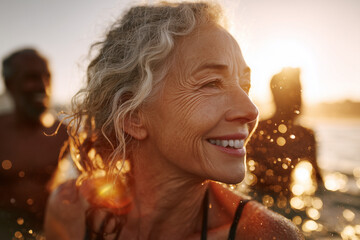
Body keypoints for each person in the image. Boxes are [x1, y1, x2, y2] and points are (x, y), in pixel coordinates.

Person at [45, 2, 304, 239]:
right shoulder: (73, 211)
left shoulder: (264, 235)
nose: (251, 110)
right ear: (133, 116)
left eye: (244, 86)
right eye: (211, 83)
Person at [0, 48, 68, 239]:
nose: (43, 86)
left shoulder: (64, 135)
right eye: (31, 77)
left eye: (47, 77)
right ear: (9, 84)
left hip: (47, 228)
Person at [246, 67, 323, 216]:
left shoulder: (258, 130)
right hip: (279, 208)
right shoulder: (305, 135)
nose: (300, 97)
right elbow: (319, 185)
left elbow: (318, 180)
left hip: (259, 206)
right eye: (297, 91)